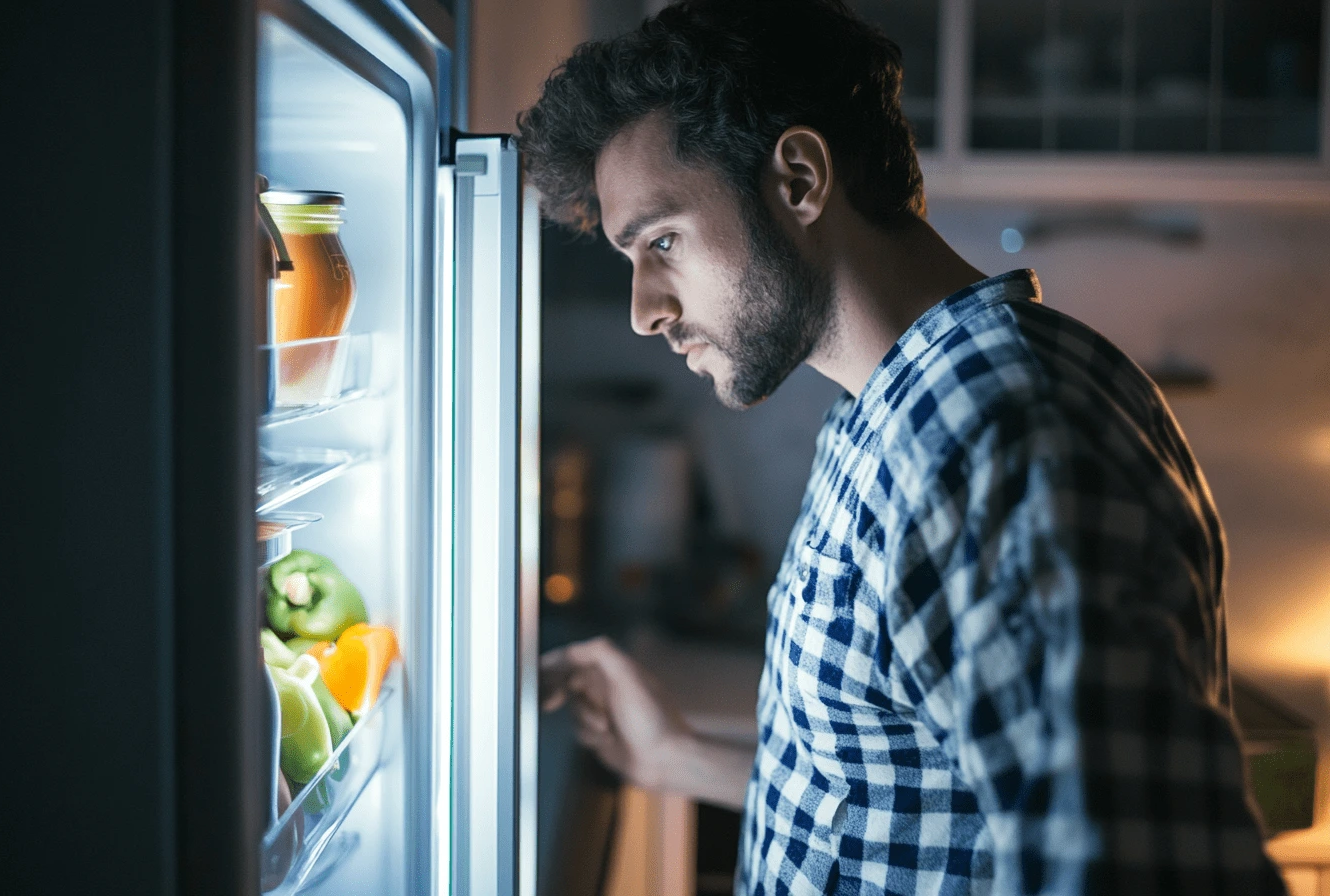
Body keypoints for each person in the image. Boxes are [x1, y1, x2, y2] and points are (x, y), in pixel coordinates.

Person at [517, 1, 1286, 893]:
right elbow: (909, 804)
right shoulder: (888, 407)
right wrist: (680, 758)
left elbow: (1141, 871)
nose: (646, 309)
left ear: (800, 179)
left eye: (662, 241)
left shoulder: (987, 429)